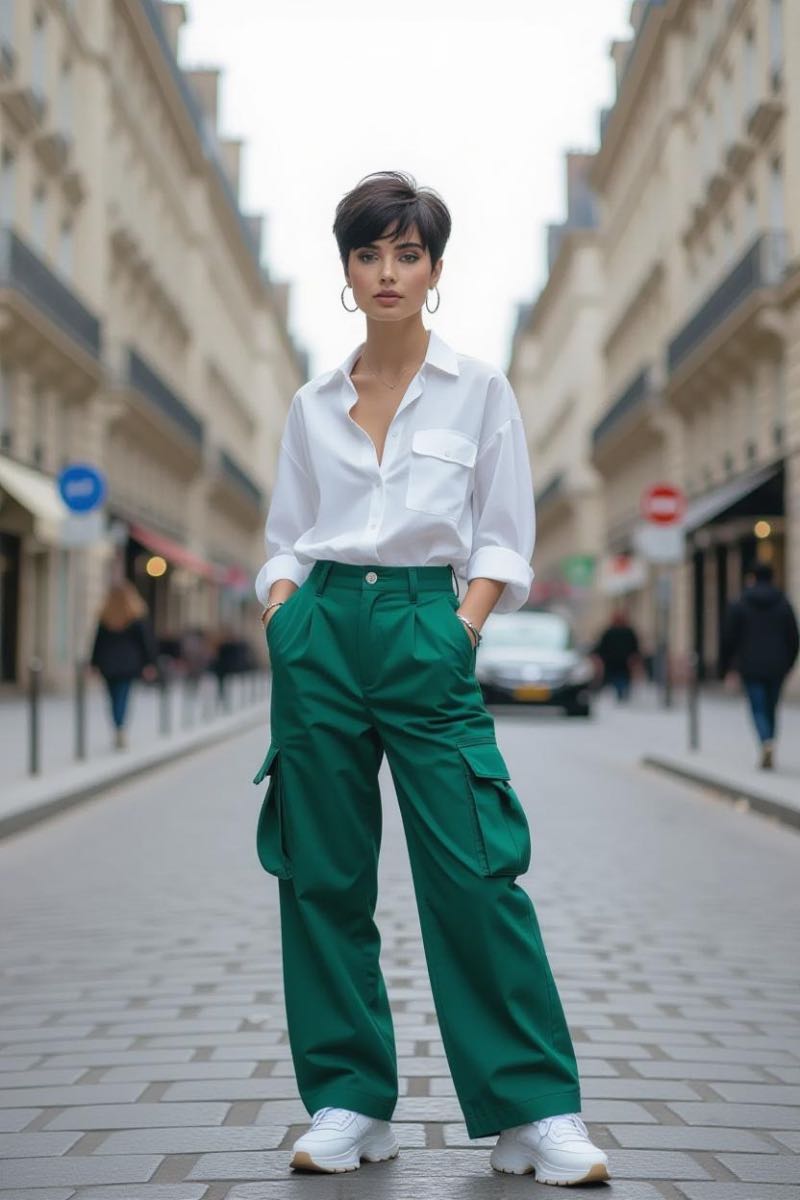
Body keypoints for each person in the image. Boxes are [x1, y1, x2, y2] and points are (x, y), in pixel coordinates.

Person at [252, 170, 610, 1185]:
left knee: (474, 871)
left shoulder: (479, 390)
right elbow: (282, 539)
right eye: (368, 254)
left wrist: (458, 632)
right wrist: (285, 616)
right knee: (320, 877)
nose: (387, 272)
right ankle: (347, 1100)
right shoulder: (313, 404)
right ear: (346, 273)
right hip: (320, 628)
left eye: (406, 254)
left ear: (434, 270)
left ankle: (532, 1111)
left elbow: (503, 540)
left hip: (424, 625)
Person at [719, 562, 799, 770]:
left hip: (750, 665)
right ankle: (770, 740)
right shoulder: (783, 603)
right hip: (777, 665)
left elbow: (728, 638)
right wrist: (789, 663)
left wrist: (727, 666)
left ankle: (765, 740)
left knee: (757, 706)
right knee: (772, 707)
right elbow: (794, 637)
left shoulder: (741, 603)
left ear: (752, 578)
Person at [89, 579, 159, 750]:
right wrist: (150, 663)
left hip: (108, 664)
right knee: (123, 696)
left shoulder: (106, 617)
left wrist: (94, 663)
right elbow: (145, 643)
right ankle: (120, 727)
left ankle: (117, 725)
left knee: (112, 698)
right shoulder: (136, 617)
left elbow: (97, 643)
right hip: (129, 664)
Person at [591, 610, 641, 702]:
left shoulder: (611, 632)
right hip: (619, 661)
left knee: (619, 678)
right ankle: (620, 694)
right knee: (620, 679)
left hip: (615, 661)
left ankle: (620, 693)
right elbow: (635, 647)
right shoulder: (627, 632)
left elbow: (601, 647)